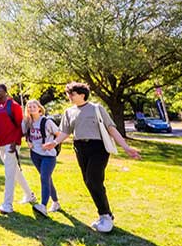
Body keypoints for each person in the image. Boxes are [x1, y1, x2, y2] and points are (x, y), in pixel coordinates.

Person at [43, 82, 141, 233]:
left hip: (98, 148)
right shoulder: (69, 112)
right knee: (88, 182)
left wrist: (126, 147)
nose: (69, 97)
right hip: (80, 148)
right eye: (69, 94)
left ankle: (106, 216)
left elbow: (111, 129)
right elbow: (65, 132)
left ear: (82, 95)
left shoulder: (97, 108)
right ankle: (104, 214)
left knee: (93, 180)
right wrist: (54, 142)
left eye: (72, 94)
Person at [0, 84, 37, 214]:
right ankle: (29, 195)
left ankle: (7, 205)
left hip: (12, 144)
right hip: (1, 144)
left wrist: (15, 143)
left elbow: (19, 126)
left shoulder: (14, 106)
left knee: (9, 174)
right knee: (15, 171)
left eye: (0, 91)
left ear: (5, 92)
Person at [22, 100, 61, 217]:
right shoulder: (27, 122)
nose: (31, 108)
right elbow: (26, 135)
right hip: (35, 154)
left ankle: (43, 206)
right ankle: (56, 202)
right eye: (29, 107)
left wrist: (52, 144)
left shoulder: (47, 122)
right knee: (47, 178)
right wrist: (28, 141)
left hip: (48, 155)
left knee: (44, 178)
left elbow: (59, 134)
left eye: (34, 106)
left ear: (39, 108)